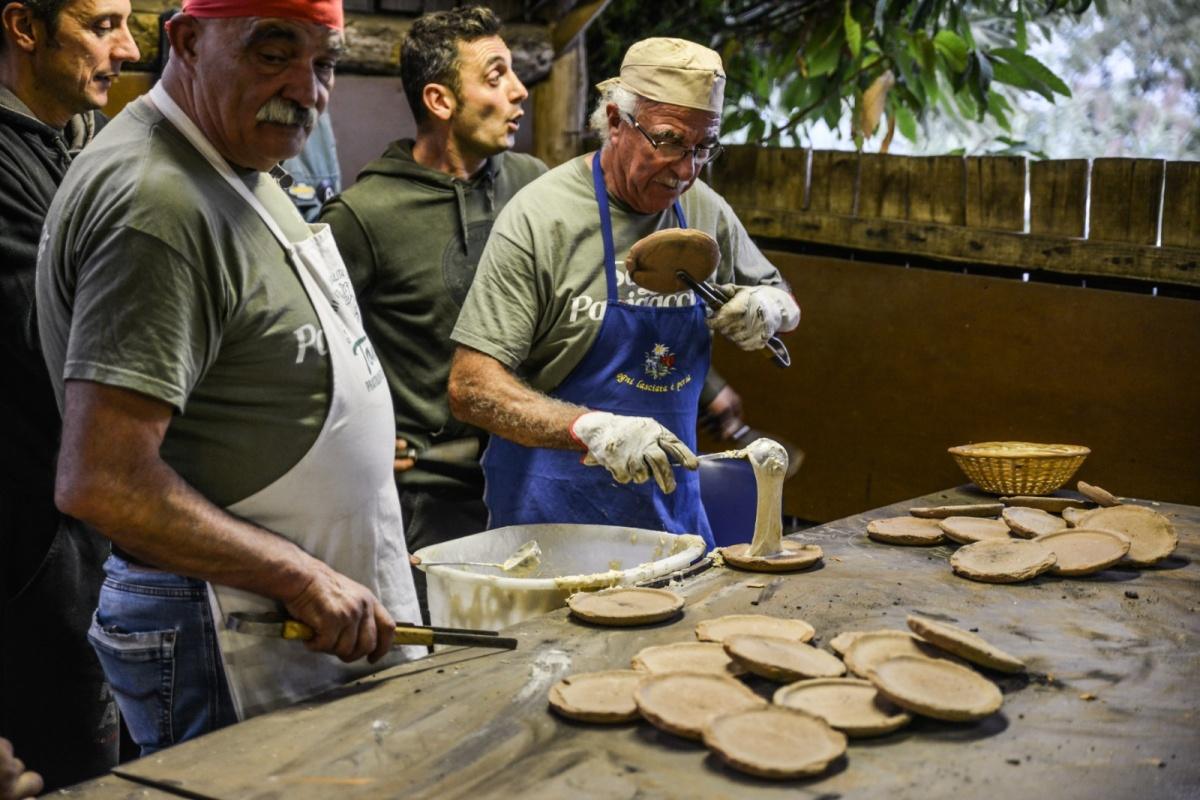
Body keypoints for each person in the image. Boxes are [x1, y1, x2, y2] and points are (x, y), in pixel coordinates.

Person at [36, 0, 420, 755]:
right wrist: (303, 576)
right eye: (273, 54)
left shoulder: (238, 154)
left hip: (276, 611)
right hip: (223, 625)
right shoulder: (159, 201)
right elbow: (103, 479)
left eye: (325, 63)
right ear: (185, 40)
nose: (307, 89)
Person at [447, 38, 800, 548]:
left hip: (670, 520)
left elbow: (783, 299)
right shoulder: (541, 218)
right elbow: (471, 388)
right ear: (615, 121)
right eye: (670, 141)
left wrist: (770, 308)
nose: (687, 169)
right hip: (550, 520)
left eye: (705, 148)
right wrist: (590, 429)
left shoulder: (704, 208)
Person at [320, 5, 545, 616]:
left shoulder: (534, 186)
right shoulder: (364, 217)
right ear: (441, 101)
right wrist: (351, 436)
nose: (520, 91)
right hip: (429, 503)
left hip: (536, 481)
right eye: (496, 76)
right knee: (448, 675)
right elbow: (310, 347)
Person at [0, 0, 138, 787]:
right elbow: (67, 347)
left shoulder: (77, 145)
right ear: (25, 28)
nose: (127, 46)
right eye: (102, 24)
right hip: (35, 548)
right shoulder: (6, 164)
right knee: (70, 766)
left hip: (88, 543)